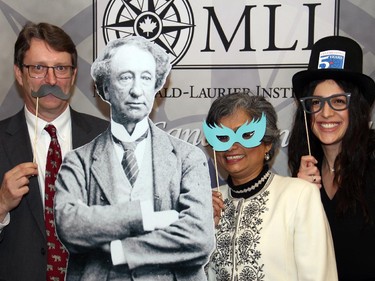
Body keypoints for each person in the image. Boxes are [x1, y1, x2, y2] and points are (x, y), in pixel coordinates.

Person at [54, 36, 215, 280]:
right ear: (105, 88)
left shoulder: (188, 158)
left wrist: (122, 250)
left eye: (146, 78)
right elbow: (70, 226)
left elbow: (199, 237)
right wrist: (147, 218)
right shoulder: (78, 162)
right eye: (126, 77)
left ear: (156, 87)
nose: (136, 90)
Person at [0, 22, 108, 281]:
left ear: (72, 75)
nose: (51, 80)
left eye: (60, 68)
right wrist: (1, 204)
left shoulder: (108, 138)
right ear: (19, 73)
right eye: (38, 68)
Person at [206, 93, 337, 280]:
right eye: (222, 137)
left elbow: (318, 275)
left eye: (246, 135)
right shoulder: (207, 203)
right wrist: (199, 230)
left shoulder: (298, 195)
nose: (231, 146)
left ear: (267, 143)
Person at [288, 35, 375, 281]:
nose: (326, 113)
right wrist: (298, 196)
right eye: (316, 102)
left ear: (357, 108)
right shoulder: (303, 175)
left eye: (338, 101)